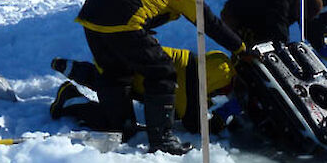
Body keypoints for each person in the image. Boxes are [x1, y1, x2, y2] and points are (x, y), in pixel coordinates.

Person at [75, 0, 245, 155]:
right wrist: (240, 47)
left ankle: (105, 118)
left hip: (91, 13)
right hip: (124, 16)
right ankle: (162, 139)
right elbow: (208, 22)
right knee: (162, 71)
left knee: (116, 74)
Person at [49, 48, 241, 140]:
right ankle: (70, 99)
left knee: (106, 76)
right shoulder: (187, 96)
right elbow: (191, 122)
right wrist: (218, 119)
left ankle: (72, 68)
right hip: (128, 80)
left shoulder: (216, 59)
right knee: (121, 128)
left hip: (118, 56)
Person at [220, 0, 323, 48]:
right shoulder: (281, 2)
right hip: (234, 14)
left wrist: (319, 45)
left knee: (268, 39)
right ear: (301, 6)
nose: (299, 18)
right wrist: (286, 50)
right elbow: (280, 30)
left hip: (260, 16)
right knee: (252, 49)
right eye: (301, 15)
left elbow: (307, 27)